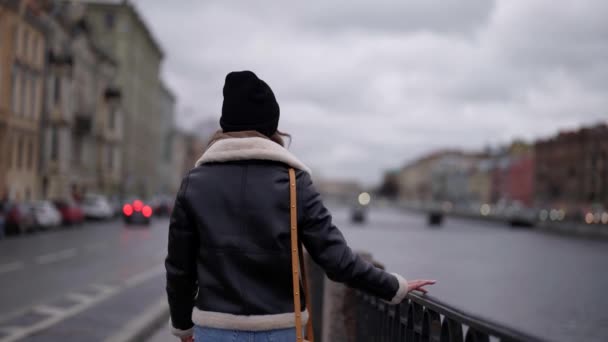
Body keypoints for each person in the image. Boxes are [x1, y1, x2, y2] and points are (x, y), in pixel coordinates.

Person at [166, 71, 435, 342]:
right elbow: (336, 259)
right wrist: (393, 286)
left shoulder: (195, 183)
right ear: (271, 127)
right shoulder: (294, 182)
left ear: (226, 126)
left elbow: (179, 269)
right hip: (279, 332)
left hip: (214, 331)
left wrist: (183, 327)